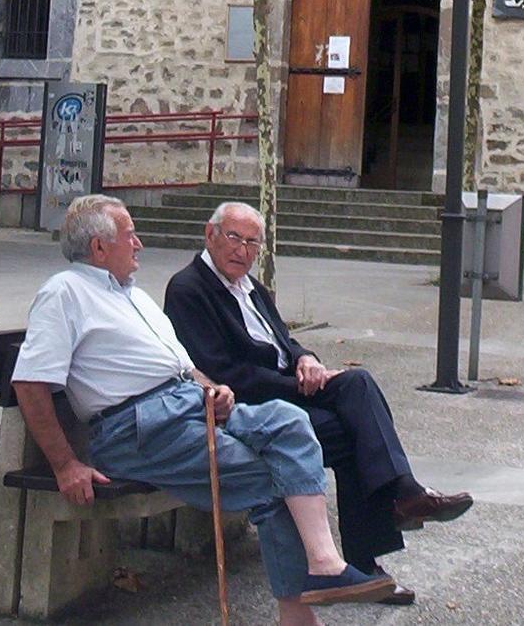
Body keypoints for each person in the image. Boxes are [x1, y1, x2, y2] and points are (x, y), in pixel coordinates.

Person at [10, 195, 394, 626]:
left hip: (186, 406)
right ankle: (300, 613)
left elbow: (182, 365)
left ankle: (325, 563)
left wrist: (214, 389)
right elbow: (30, 381)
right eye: (130, 235)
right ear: (99, 247)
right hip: (137, 428)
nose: (139, 244)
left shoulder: (129, 295)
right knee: (271, 479)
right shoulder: (65, 292)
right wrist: (64, 464)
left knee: (290, 421)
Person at [163, 201, 474, 606]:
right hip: (248, 408)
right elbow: (222, 371)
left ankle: (402, 499)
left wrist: (307, 359)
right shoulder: (189, 289)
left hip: (284, 389)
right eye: (234, 238)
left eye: (252, 243)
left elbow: (284, 342)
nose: (242, 250)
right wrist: (296, 382)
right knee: (350, 436)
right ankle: (384, 529)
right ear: (210, 235)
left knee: (357, 383)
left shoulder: (251, 288)